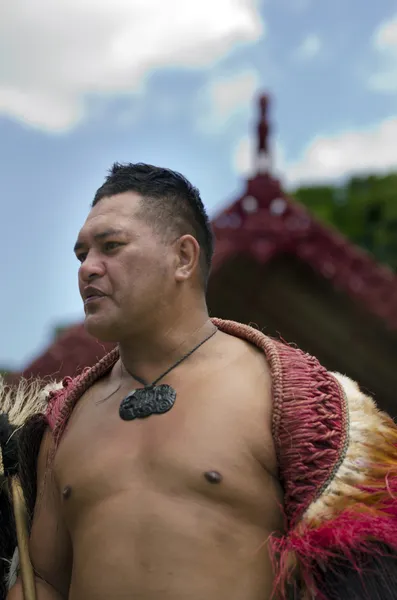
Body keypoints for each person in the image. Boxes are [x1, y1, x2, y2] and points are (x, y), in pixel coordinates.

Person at [5, 163, 397, 600]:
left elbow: (355, 568)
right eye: (81, 255)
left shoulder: (290, 398)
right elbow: (43, 579)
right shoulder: (63, 421)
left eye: (110, 246)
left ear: (183, 258)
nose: (87, 269)